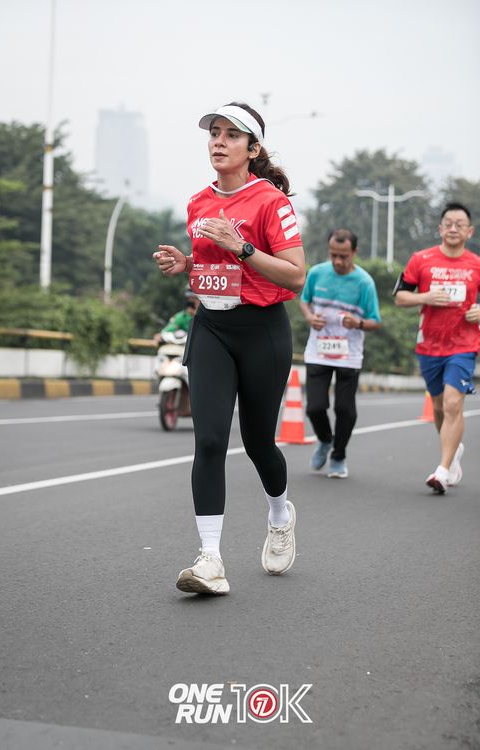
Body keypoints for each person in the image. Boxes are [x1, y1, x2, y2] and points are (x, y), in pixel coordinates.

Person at [153, 102, 306, 595]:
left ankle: (280, 515)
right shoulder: (198, 202)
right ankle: (210, 560)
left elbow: (295, 276)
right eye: (213, 133)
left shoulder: (271, 203)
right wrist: (185, 263)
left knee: (259, 442)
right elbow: (209, 264)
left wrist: (242, 246)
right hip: (212, 329)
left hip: (262, 331)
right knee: (210, 440)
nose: (218, 142)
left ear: (253, 148)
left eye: (231, 135)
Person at [394, 201, 480, 493]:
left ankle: (443, 470)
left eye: (459, 224)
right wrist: (425, 297)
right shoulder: (420, 259)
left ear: (469, 231)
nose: (453, 228)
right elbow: (400, 297)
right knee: (438, 406)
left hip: (464, 344)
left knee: (452, 403)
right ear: (440, 228)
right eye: (448, 223)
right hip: (430, 345)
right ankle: (454, 451)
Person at [300, 229, 381, 478]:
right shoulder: (317, 273)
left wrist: (358, 323)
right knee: (314, 407)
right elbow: (304, 300)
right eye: (333, 255)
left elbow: (375, 321)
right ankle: (325, 439)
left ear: (354, 252)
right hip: (318, 351)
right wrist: (309, 317)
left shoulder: (364, 282)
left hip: (349, 354)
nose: (337, 261)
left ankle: (338, 456)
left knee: (345, 410)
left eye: (343, 256)